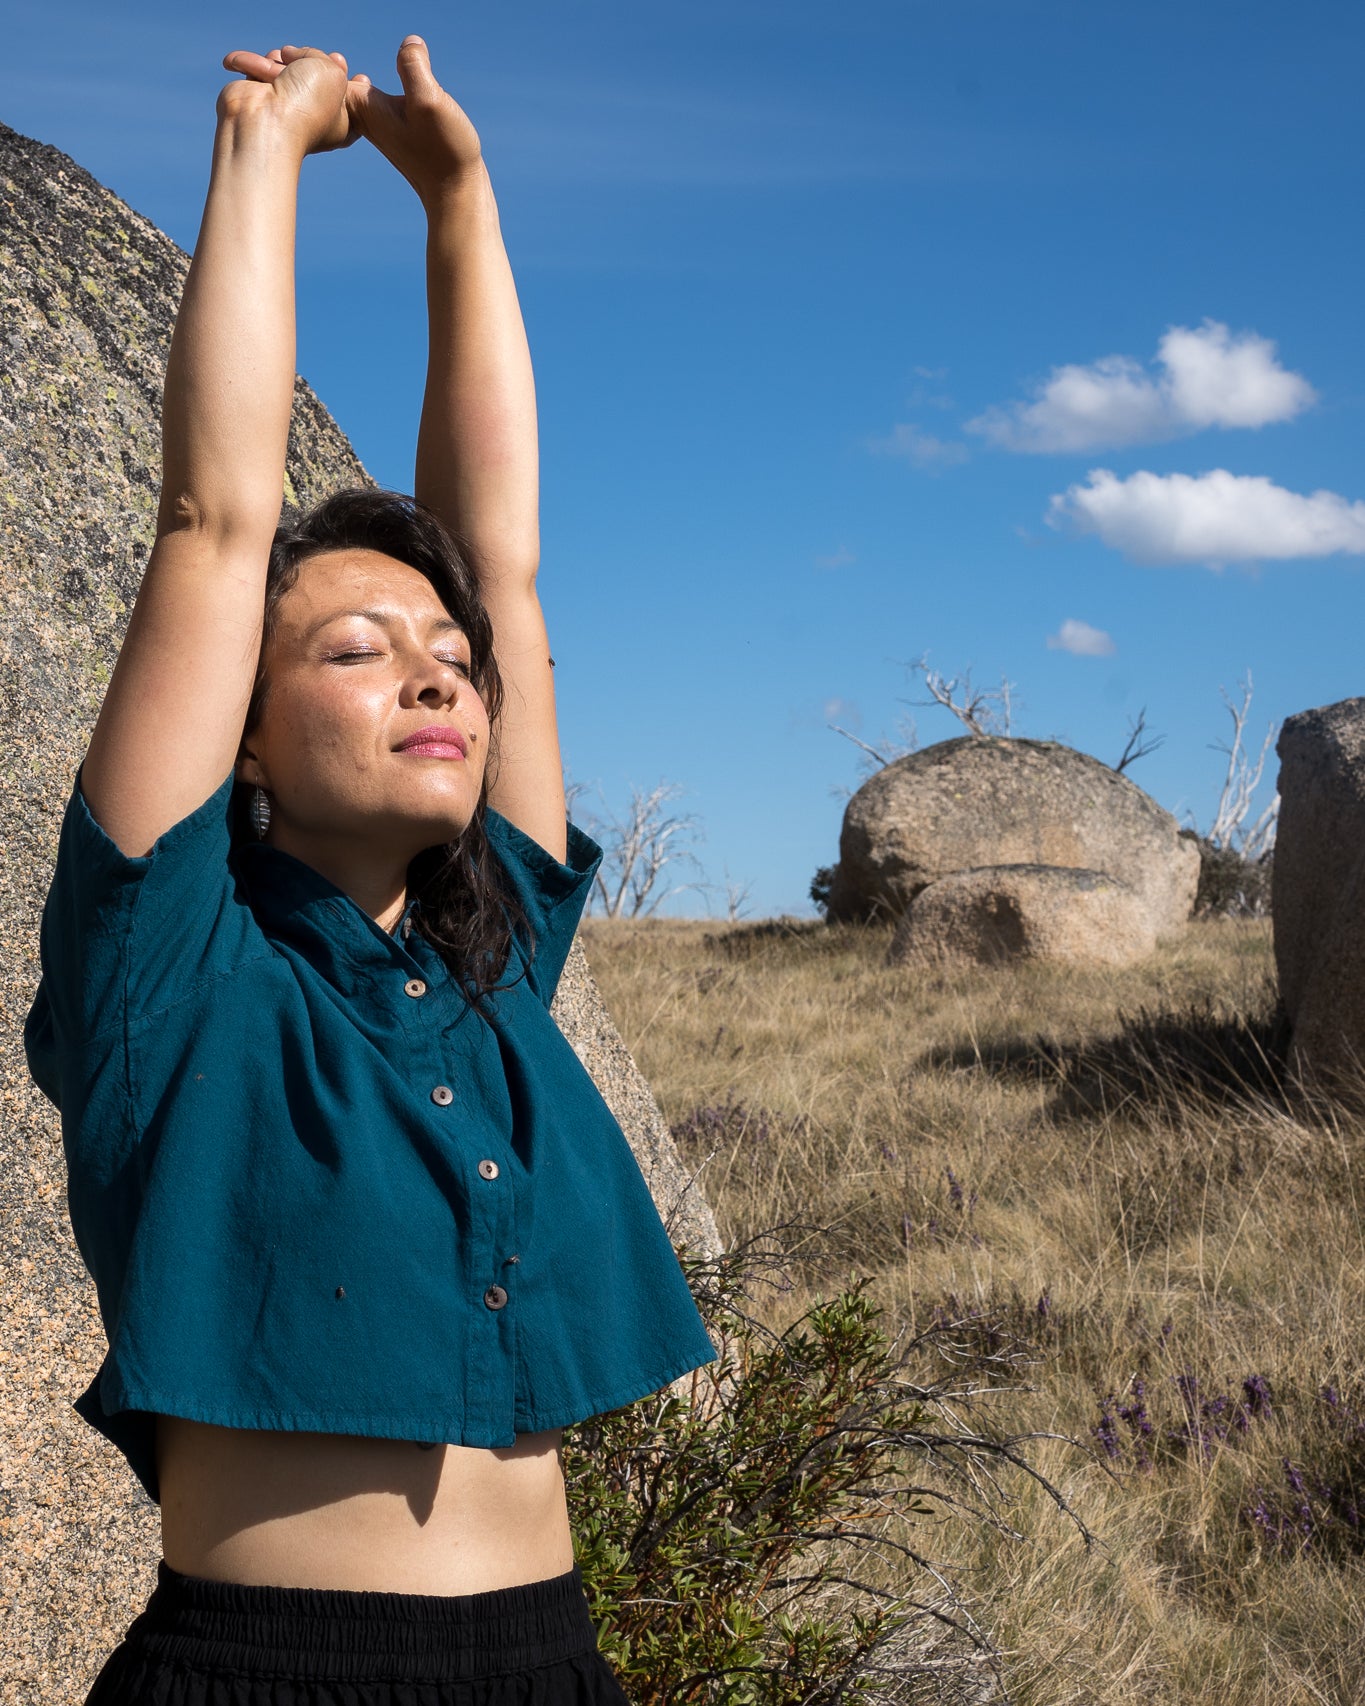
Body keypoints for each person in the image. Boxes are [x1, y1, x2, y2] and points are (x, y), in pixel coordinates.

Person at [23, 36, 716, 1706]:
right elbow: (209, 518)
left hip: (557, 1665)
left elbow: (505, 571)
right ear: (242, 739)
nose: (437, 674)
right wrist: (266, 155)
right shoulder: (167, 983)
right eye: (352, 647)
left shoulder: (493, 985)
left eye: (446, 660)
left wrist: (458, 203)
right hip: (269, 1675)